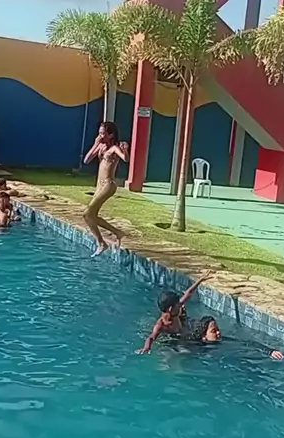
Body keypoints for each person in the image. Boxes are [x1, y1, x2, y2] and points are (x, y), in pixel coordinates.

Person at [83, 121, 129, 257]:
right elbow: (86, 160)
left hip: (108, 185)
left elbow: (125, 159)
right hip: (99, 184)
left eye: (103, 133)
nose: (100, 136)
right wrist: (95, 144)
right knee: (90, 216)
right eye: (100, 133)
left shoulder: (114, 148)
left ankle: (102, 243)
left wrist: (125, 150)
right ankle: (117, 233)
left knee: (87, 213)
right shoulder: (100, 146)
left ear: (111, 135)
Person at [137, 272, 213, 354]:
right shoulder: (161, 325)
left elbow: (188, 293)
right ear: (170, 309)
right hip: (171, 340)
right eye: (178, 305)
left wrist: (200, 280)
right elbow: (151, 337)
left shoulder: (175, 310)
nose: (180, 306)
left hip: (183, 332)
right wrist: (147, 347)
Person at [187, 315, 284, 359]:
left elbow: (247, 344)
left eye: (218, 329)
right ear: (204, 336)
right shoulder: (197, 350)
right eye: (213, 331)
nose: (218, 332)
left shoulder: (224, 341)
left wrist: (269, 351)